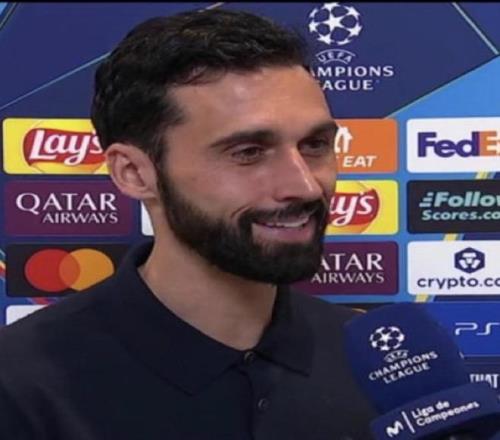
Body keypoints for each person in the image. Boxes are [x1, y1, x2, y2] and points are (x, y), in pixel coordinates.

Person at [0, 8, 376, 439]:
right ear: (134, 173)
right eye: (248, 152)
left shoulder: (376, 360)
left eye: (315, 145)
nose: (305, 186)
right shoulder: (19, 384)